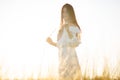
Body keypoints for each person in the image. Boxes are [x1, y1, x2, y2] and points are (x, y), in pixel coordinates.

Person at [46, 3, 82, 80]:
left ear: (71, 13)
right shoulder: (60, 28)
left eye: (66, 12)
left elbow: (76, 43)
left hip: (71, 59)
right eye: (63, 12)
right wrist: (51, 42)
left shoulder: (74, 26)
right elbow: (60, 45)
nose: (64, 14)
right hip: (62, 60)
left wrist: (69, 31)